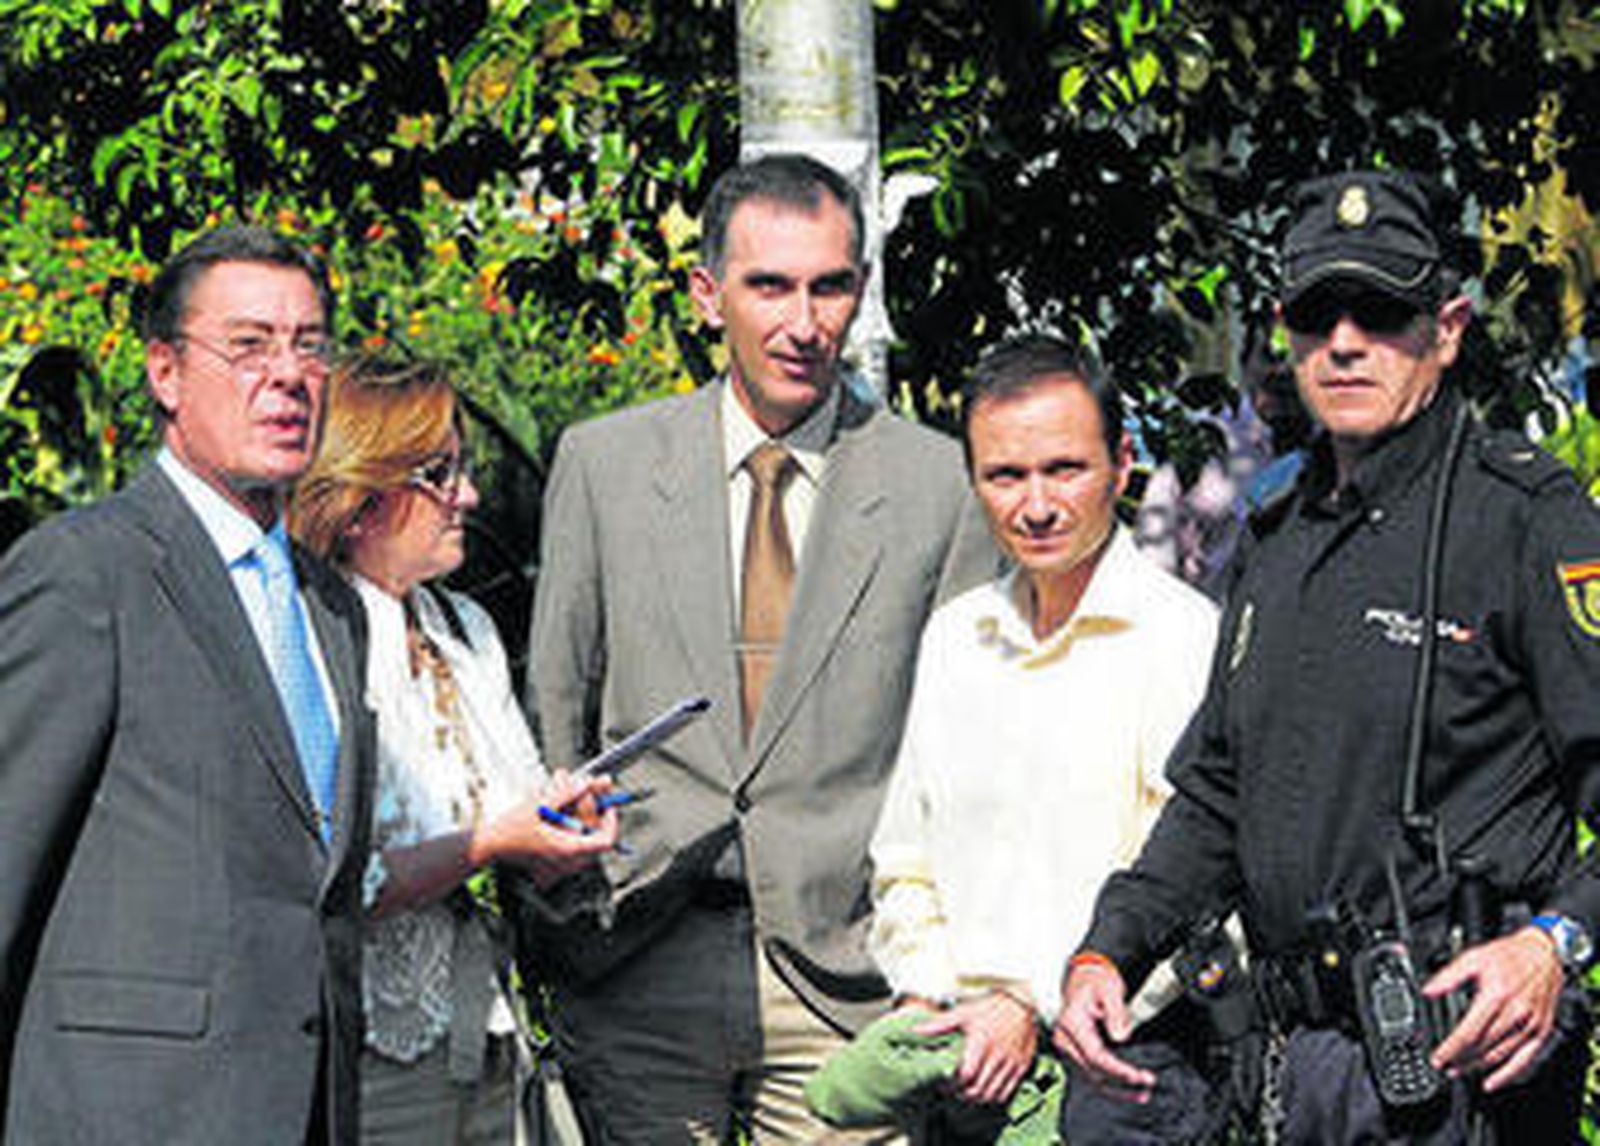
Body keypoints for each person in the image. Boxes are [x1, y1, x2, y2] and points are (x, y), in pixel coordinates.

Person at [1056, 169, 1600, 1143]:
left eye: (1380, 311)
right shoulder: (1275, 531)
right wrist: (1107, 950)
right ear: (1283, 327)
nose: (1344, 342)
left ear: (1447, 325)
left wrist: (1553, 945)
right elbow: (1217, 794)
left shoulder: (1522, 519)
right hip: (1287, 1074)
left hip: (1459, 1070)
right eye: (1316, 313)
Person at [523, 152, 996, 1142]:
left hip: (846, 974)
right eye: (768, 285)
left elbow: (964, 757)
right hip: (635, 953)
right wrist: (559, 922)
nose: (801, 321)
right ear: (707, 294)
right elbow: (555, 711)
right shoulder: (604, 466)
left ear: (860, 293)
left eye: (829, 286)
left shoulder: (937, 487)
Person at [0, 226, 373, 1143]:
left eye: (310, 345)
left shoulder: (332, 607)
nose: (288, 374)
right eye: (248, 346)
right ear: (166, 373)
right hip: (127, 1113)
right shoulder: (85, 574)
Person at [859, 336, 1218, 1142]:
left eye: (1065, 469)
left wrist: (1034, 1006)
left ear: (1123, 463)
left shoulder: (1183, 641)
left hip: (1123, 1074)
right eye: (1005, 476)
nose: (1037, 505)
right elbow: (903, 859)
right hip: (963, 1070)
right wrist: (932, 994)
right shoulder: (956, 637)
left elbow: (1197, 887)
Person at [290, 357, 619, 1143]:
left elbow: (515, 814)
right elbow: (329, 880)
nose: (466, 495)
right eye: (439, 473)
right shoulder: (304, 636)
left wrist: (557, 830)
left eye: (464, 468)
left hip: (490, 1038)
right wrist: (494, 840)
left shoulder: (460, 628)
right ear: (359, 495)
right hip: (367, 1052)